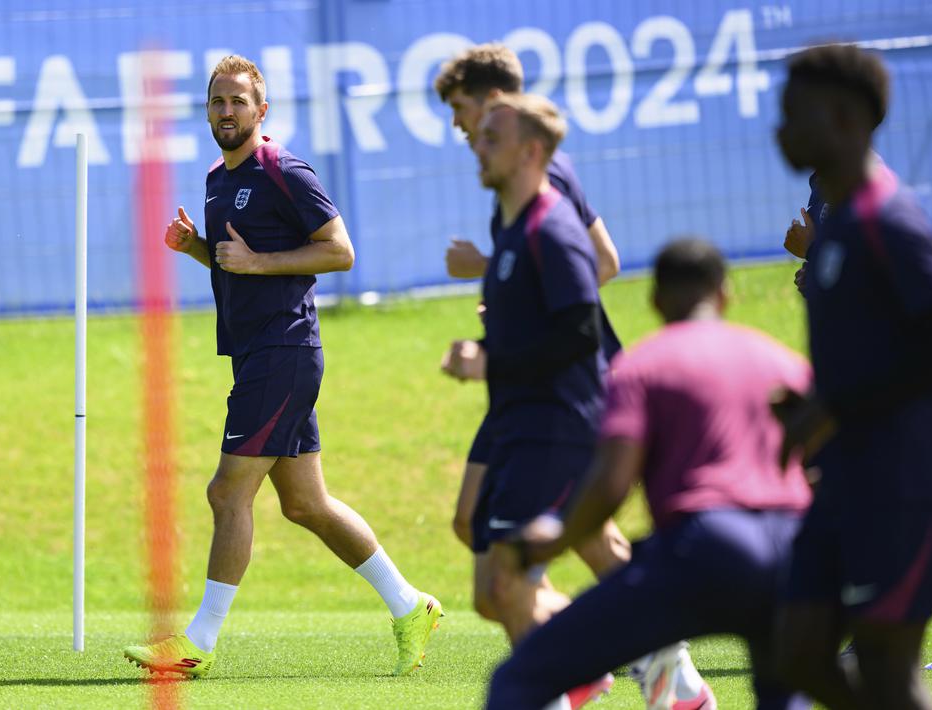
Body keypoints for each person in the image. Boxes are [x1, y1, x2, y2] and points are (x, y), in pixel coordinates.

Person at [122, 55, 442, 679]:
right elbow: (236, 262)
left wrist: (260, 263)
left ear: (261, 110)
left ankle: (197, 642)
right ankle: (411, 606)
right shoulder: (216, 179)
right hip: (256, 355)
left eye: (239, 101)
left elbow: (340, 252)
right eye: (218, 101)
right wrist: (196, 248)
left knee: (226, 492)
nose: (227, 111)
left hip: (284, 352)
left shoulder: (285, 170)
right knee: (306, 505)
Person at [483, 238, 813, 710]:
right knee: (784, 694)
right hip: (796, 546)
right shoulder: (781, 361)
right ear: (724, 293)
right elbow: (829, 458)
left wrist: (550, 543)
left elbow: (611, 483)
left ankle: (670, 676)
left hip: (707, 542)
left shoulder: (643, 365)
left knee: (519, 678)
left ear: (655, 300)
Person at [433, 42, 632, 630]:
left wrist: (499, 280)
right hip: (520, 385)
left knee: (562, 546)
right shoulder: (505, 188)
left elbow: (600, 262)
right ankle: (604, 649)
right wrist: (505, 293)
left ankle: (657, 650)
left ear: (497, 102)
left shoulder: (547, 178)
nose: (460, 125)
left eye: (462, 107)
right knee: (476, 528)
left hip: (560, 391)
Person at [773, 44, 932, 710]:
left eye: (794, 115)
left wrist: (836, 404)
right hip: (844, 473)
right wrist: (812, 407)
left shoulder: (889, 223)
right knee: (796, 652)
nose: (780, 131)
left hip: (900, 482)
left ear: (844, 118)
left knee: (887, 667)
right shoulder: (836, 222)